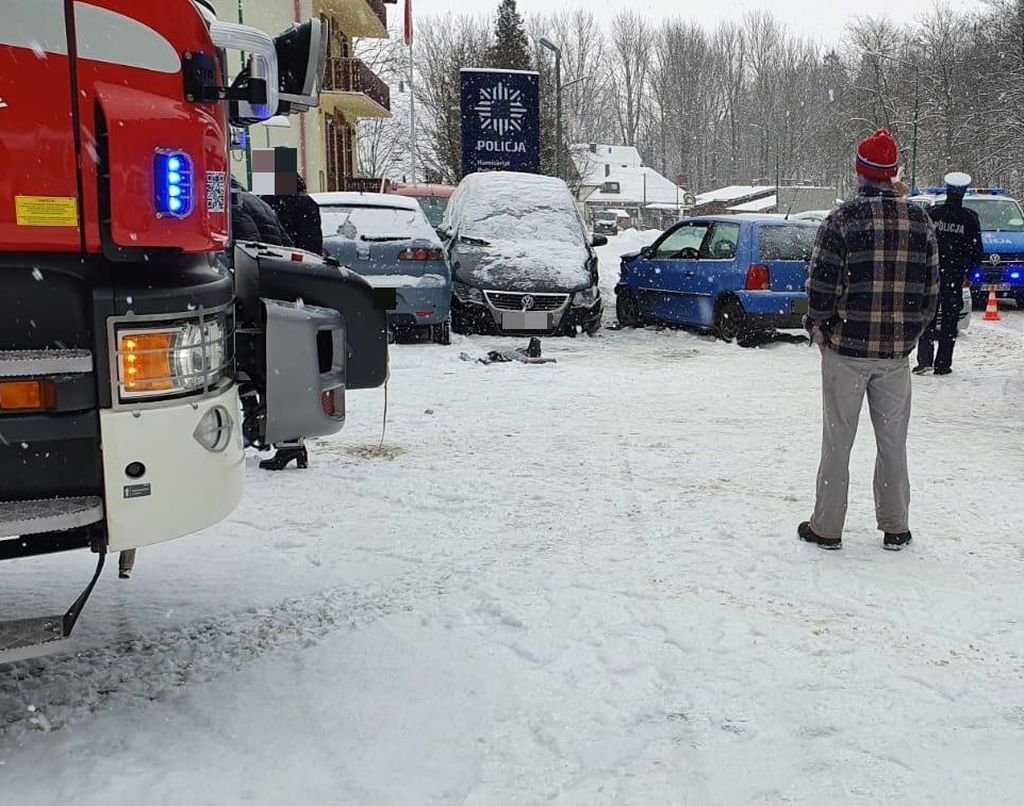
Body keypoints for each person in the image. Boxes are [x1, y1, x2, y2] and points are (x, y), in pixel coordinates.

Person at [799, 129, 940, 552]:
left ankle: (827, 528)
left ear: (860, 173)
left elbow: (820, 287)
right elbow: (931, 292)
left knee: (837, 442)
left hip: (845, 351)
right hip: (894, 355)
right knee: (893, 442)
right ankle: (895, 525)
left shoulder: (841, 221)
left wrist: (819, 326)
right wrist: (908, 334)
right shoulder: (919, 221)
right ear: (893, 173)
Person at [230, 179, 309, 472]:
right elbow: (285, 246)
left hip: (248, 300)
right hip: (272, 297)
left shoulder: (234, 208)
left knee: (250, 367)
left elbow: (240, 253)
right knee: (269, 369)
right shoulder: (257, 204)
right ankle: (281, 437)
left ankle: (270, 433)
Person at [913, 172, 982, 376]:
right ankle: (943, 363)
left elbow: (919, 244)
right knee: (949, 322)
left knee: (928, 317)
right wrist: (970, 273)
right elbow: (976, 251)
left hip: (931, 275)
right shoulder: (969, 219)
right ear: (963, 193)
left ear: (947, 190)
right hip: (954, 277)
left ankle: (924, 360)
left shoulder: (933, 214)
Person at [261, 175, 324, 255]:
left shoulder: (264, 203)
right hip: (296, 258)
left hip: (269, 257)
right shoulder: (305, 203)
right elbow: (311, 242)